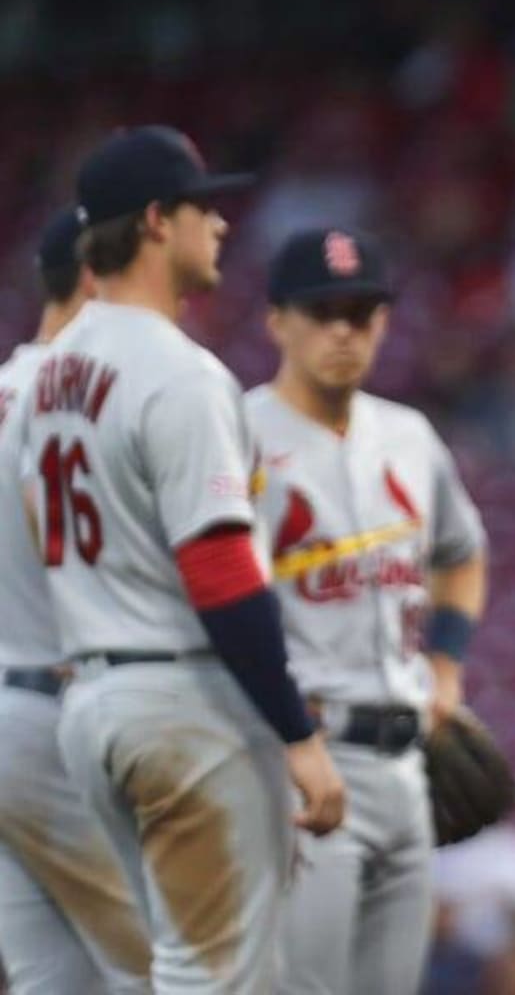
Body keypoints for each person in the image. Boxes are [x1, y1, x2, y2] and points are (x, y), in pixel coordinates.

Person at [17, 126, 345, 994]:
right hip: (178, 702)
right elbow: (221, 573)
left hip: (90, 703)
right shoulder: (179, 373)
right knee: (215, 981)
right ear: (157, 223)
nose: (222, 227)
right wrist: (296, 732)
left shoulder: (44, 378)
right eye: (205, 209)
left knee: (157, 974)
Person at [248, 228, 488, 995]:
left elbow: (462, 552)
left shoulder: (408, 435)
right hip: (303, 754)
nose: (344, 331)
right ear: (276, 320)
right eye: (323, 312)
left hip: (404, 759)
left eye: (363, 311)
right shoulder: (238, 436)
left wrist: (446, 666)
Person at [0, 209, 151, 993]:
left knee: (52, 982)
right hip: (64, 713)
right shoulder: (74, 398)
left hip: (7, 719)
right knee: (162, 971)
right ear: (94, 279)